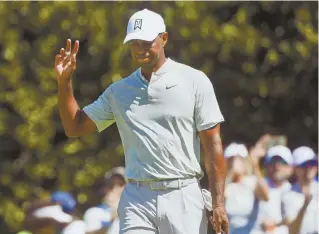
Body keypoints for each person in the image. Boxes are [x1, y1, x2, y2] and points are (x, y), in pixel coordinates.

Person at [55, 8, 228, 234]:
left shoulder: (194, 81)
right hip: (137, 198)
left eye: (146, 41)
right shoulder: (119, 92)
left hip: (183, 195)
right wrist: (64, 82)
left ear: (164, 38)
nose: (140, 49)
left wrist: (218, 204)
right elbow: (75, 127)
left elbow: (212, 144)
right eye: (135, 42)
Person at [223, 139, 269, 234]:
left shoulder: (252, 181)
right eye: (231, 160)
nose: (234, 163)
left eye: (239, 159)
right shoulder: (227, 186)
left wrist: (255, 165)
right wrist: (228, 174)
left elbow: (266, 196)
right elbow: (215, 200)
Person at [251, 145, 293, 234]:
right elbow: (262, 192)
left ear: (291, 167)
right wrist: (254, 162)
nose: (277, 166)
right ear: (266, 166)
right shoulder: (257, 184)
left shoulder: (295, 190)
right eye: (273, 161)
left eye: (282, 161)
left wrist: (276, 224)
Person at [282, 146, 318, 234]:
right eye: (304, 165)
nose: (309, 168)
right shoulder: (288, 195)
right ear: (295, 169)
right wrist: (305, 206)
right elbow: (293, 231)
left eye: (313, 163)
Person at [84, 167, 126, 234]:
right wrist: (112, 220)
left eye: (121, 184)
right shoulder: (94, 212)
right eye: (111, 185)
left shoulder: (136, 210)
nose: (115, 188)